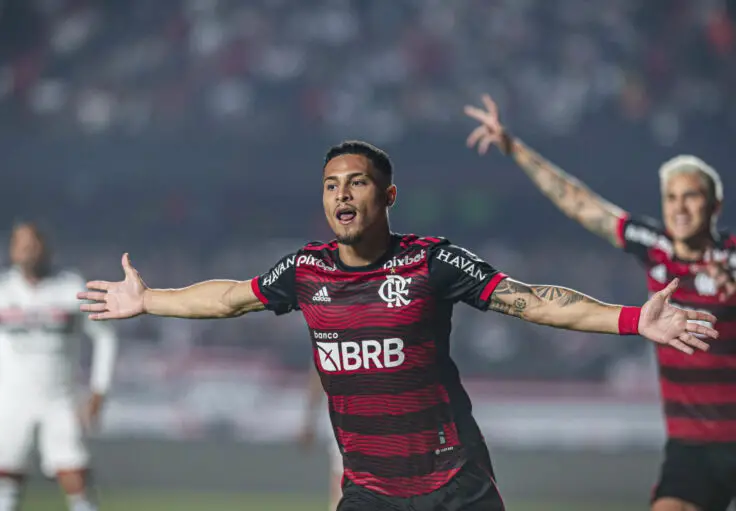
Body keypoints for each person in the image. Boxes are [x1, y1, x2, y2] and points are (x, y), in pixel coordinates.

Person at [78, 141, 716, 511]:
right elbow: (227, 298)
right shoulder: (305, 270)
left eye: (357, 182)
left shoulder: (432, 261)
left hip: (454, 483)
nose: (342, 194)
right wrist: (149, 299)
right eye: (331, 185)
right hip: (369, 490)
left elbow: (532, 300)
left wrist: (632, 319)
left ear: (387, 196)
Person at [464, 95, 736, 511]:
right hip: (692, 445)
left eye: (692, 196)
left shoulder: (731, 257)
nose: (680, 208)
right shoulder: (654, 245)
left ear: (715, 206)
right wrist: (513, 148)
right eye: (671, 197)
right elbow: (579, 202)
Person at [0, 222, 118, 511]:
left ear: (46, 248)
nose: (27, 251)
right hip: (10, 401)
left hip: (59, 400)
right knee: (7, 476)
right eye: (21, 245)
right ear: (12, 250)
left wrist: (100, 389)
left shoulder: (70, 287)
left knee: (75, 476)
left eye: (33, 244)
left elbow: (105, 336)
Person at [297, 365, 343, 511]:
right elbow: (317, 375)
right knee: (342, 491)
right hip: (345, 423)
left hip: (384, 424)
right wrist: (309, 421)